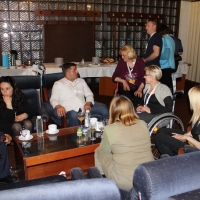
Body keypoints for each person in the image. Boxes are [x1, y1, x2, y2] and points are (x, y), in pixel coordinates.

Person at [95, 95, 154, 191]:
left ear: (113, 111)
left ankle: (102, 183)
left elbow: (105, 150)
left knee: (99, 151)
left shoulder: (111, 129)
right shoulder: (143, 123)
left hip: (125, 182)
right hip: (148, 175)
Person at [46, 62, 109, 127]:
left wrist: (88, 103)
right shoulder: (58, 84)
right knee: (74, 115)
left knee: (103, 108)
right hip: (70, 111)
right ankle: (75, 136)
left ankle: (106, 132)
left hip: (84, 109)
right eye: (75, 70)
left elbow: (89, 94)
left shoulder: (81, 81)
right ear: (68, 73)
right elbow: (53, 99)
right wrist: (58, 106)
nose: (77, 72)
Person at [155, 85, 200, 156]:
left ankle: (172, 160)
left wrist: (187, 137)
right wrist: (185, 135)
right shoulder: (198, 113)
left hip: (195, 149)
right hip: (193, 139)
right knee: (162, 131)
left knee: (160, 138)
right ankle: (173, 154)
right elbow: (195, 131)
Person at [157, 24, 175, 89]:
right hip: (171, 64)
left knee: (163, 85)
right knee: (168, 84)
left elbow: (163, 53)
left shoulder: (164, 39)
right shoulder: (171, 39)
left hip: (164, 65)